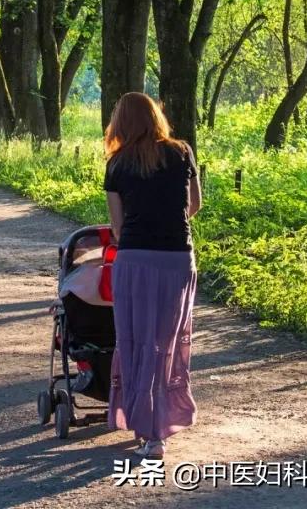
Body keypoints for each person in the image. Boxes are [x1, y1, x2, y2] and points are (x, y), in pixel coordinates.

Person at [103, 92, 202, 460]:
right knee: (167, 342)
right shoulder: (182, 152)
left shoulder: (117, 164)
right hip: (177, 259)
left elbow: (117, 226)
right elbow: (194, 205)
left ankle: (146, 429)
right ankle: (162, 425)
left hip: (135, 259)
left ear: (121, 123)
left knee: (136, 340)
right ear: (156, 117)